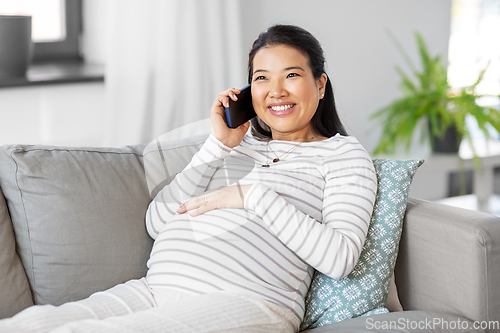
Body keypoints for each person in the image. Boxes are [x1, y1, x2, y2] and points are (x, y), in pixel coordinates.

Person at [0, 24, 377, 333]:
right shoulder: (236, 145)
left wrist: (253, 197)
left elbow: (339, 257)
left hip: (246, 302)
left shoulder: (343, 155)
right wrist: (219, 145)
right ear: (250, 92)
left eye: (291, 75)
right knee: (31, 324)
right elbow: (158, 221)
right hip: (155, 290)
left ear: (321, 84)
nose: (275, 91)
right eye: (262, 78)